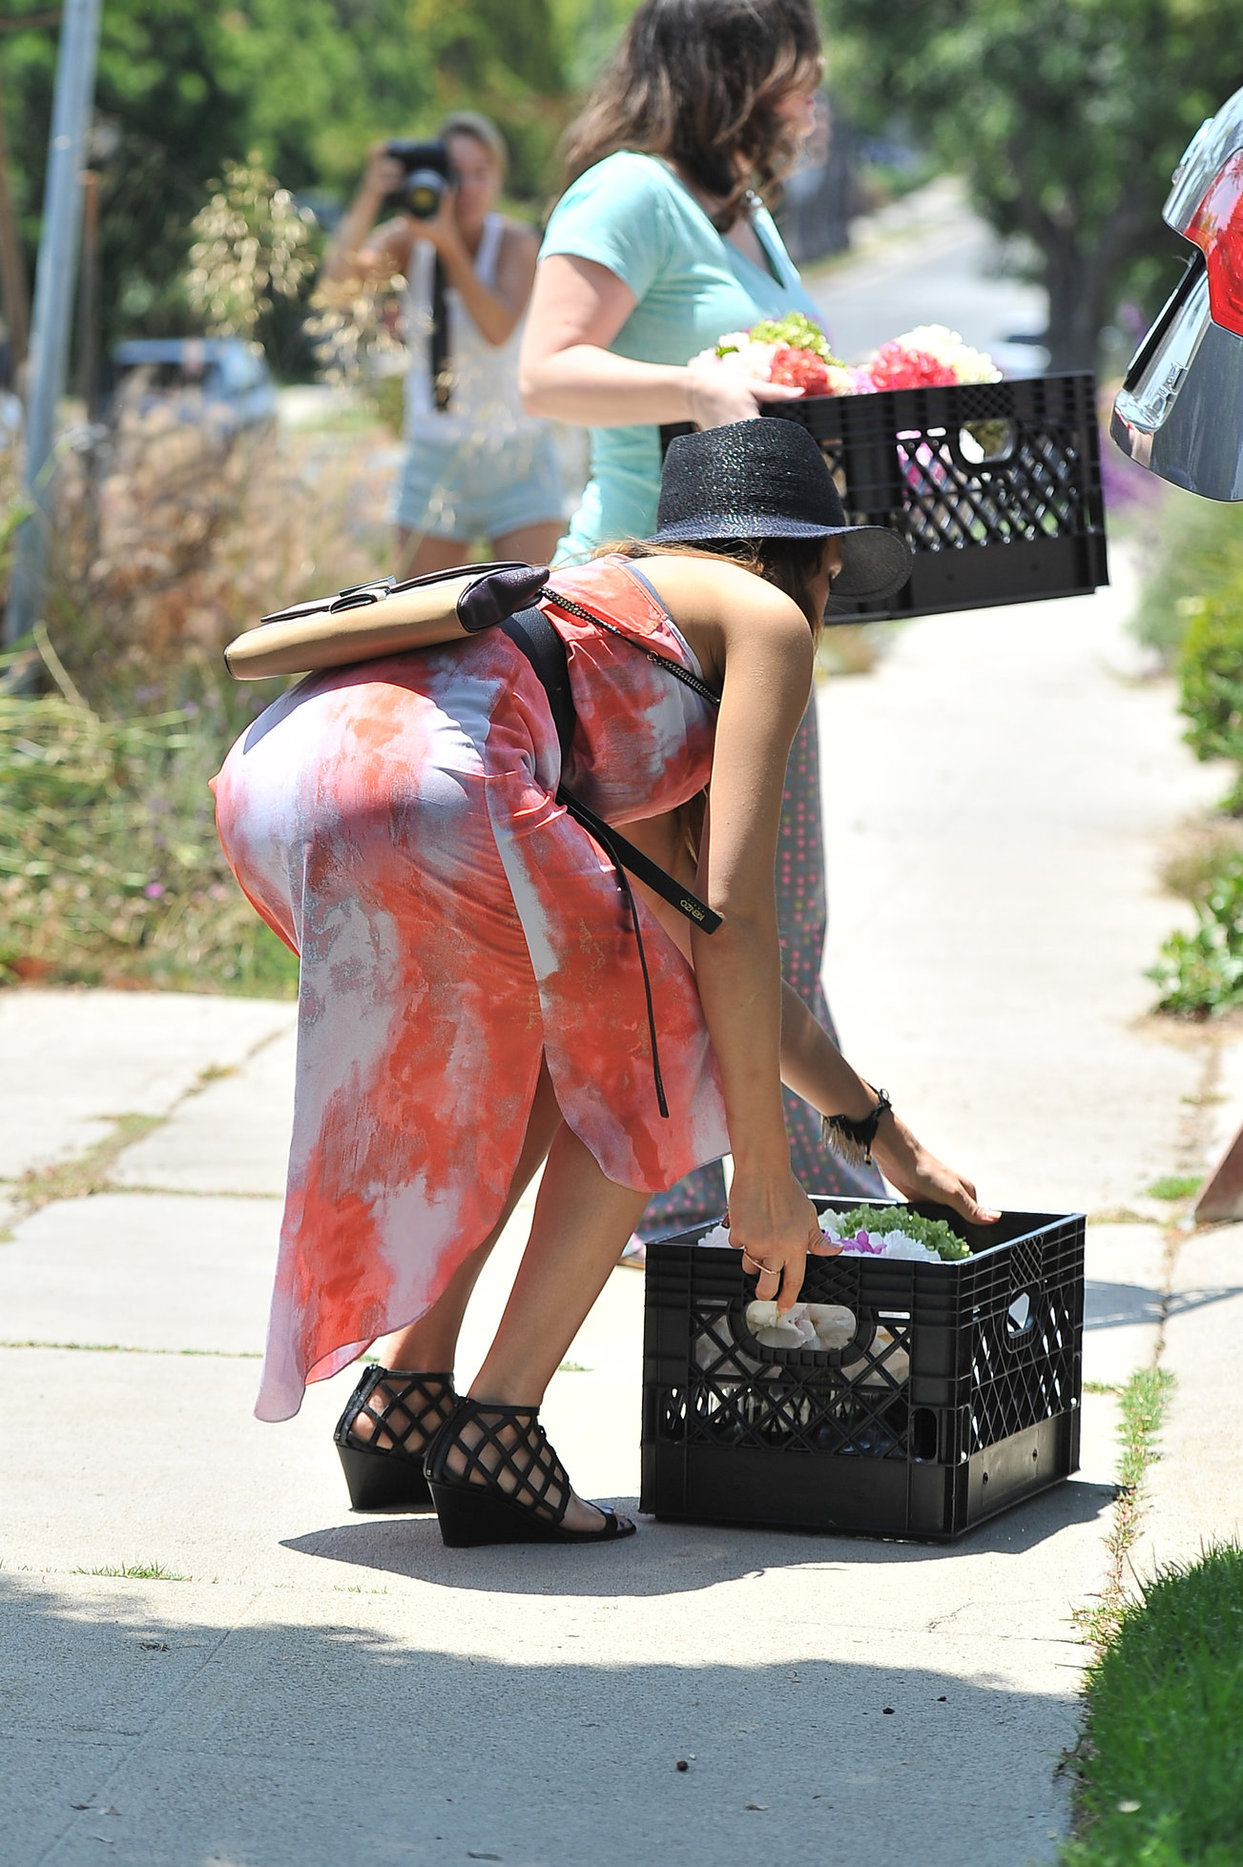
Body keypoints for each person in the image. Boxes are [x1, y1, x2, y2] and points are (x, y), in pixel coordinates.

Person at [211, 419, 996, 1551]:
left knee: (565, 1035)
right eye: (832, 568)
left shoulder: (607, 614)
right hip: (436, 788)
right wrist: (764, 1181)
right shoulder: (765, 617)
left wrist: (875, 1130)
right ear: (798, 557)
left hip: (284, 780)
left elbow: (696, 935)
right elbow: (733, 919)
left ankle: (408, 1396)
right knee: (656, 1052)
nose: (832, 593)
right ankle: (500, 1425)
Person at [518, 0, 882, 1255]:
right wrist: (693, 388)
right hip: (651, 630)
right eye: (792, 65)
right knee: (698, 916)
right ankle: (709, 1193)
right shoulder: (628, 195)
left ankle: (789, 1177)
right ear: (725, 65)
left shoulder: (745, 211)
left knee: (782, 908)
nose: (811, 87)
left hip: (760, 605)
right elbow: (546, 366)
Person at [320, 110, 564, 578]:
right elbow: (336, 290)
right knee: (420, 622)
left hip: (518, 455)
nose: (468, 187)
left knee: (534, 618)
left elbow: (497, 331)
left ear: (498, 179)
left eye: (481, 173)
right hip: (433, 455)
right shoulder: (410, 242)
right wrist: (372, 193)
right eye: (457, 174)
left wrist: (448, 244)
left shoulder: (516, 243)